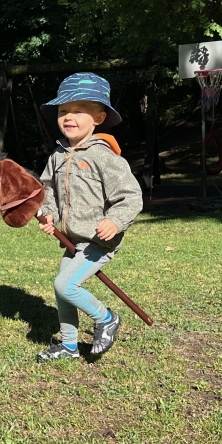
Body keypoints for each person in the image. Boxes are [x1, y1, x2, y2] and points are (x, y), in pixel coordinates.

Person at [36, 73, 143, 360]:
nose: (68, 117)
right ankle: (69, 346)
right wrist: (49, 215)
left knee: (65, 285)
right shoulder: (57, 156)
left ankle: (106, 318)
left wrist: (115, 221)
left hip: (99, 241)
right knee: (62, 290)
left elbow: (131, 196)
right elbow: (48, 191)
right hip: (73, 240)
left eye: (78, 110)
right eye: (63, 111)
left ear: (98, 117)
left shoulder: (104, 156)